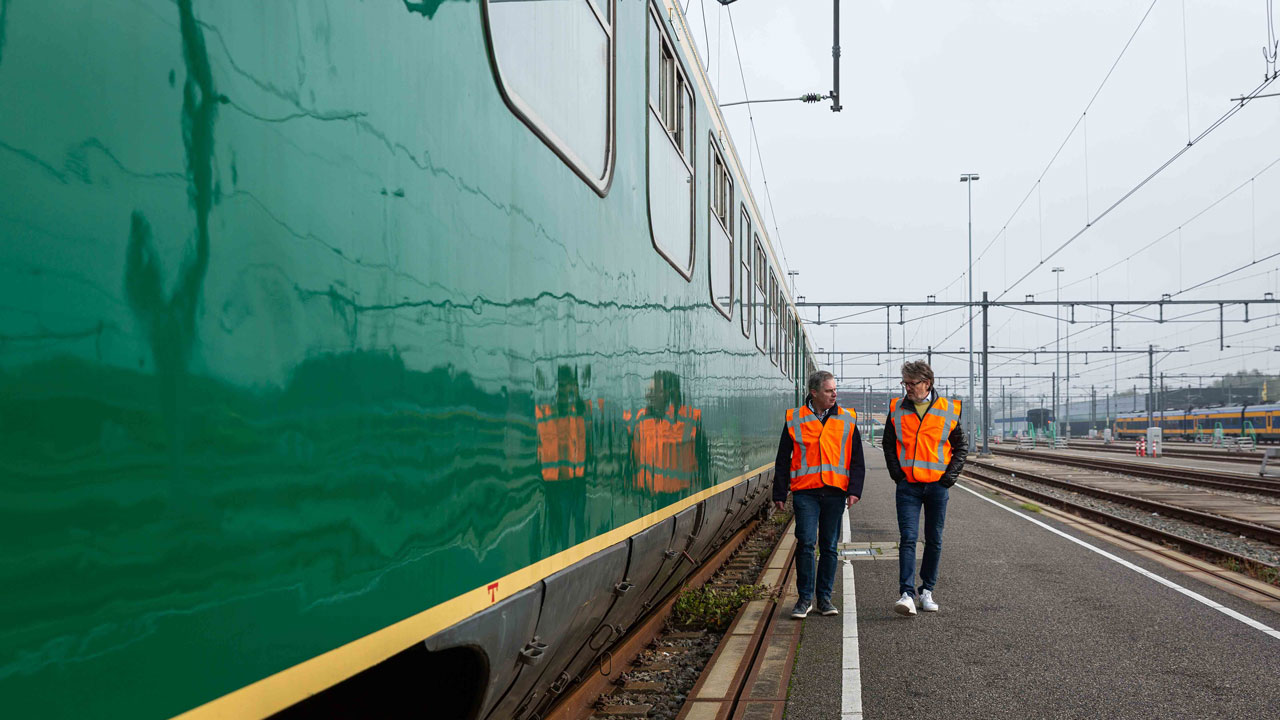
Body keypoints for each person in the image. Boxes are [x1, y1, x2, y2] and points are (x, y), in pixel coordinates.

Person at [773, 371, 864, 619]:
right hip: (806, 491)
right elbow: (783, 459)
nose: (834, 394)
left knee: (829, 546)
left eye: (835, 390)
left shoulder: (847, 419)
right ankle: (804, 599)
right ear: (814, 393)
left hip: (835, 491)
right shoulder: (794, 418)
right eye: (828, 390)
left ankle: (824, 598)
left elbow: (856, 458)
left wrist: (855, 489)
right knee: (805, 542)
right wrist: (779, 492)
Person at [882, 360, 967, 616]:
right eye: (904, 383)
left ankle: (927, 591)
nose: (907, 387)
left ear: (926, 383)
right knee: (908, 539)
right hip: (908, 486)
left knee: (934, 540)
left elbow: (961, 446)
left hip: (937, 487)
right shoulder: (896, 408)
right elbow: (888, 443)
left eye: (911, 383)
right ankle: (907, 594)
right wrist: (898, 474)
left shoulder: (948, 409)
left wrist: (949, 478)